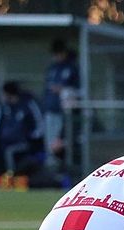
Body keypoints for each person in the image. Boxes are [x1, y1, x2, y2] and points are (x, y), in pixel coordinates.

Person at [44, 38, 80, 167]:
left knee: (61, 142)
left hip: (63, 112)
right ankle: (51, 168)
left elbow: (75, 90)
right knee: (50, 143)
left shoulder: (71, 68)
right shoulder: (53, 68)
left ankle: (60, 169)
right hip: (51, 110)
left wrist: (61, 89)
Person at [0, 81, 45, 176]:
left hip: (27, 142)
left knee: (9, 152)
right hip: (10, 141)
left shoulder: (28, 104)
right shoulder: (7, 107)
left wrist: (32, 138)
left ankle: (11, 177)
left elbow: (39, 122)